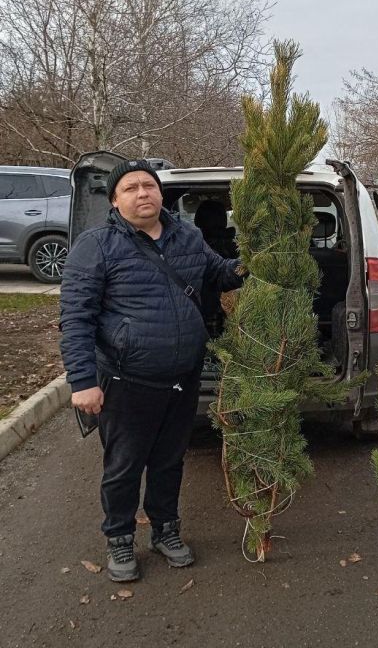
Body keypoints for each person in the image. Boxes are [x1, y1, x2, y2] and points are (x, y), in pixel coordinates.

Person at [60, 159, 244, 583]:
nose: (143, 193)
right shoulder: (97, 245)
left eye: (149, 185)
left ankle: (165, 530)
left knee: (169, 460)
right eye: (131, 188)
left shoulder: (188, 236)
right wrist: (83, 381)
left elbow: (221, 274)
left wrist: (255, 263)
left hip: (182, 377)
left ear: (161, 194)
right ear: (114, 199)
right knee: (124, 465)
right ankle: (120, 539)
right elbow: (75, 318)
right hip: (126, 381)